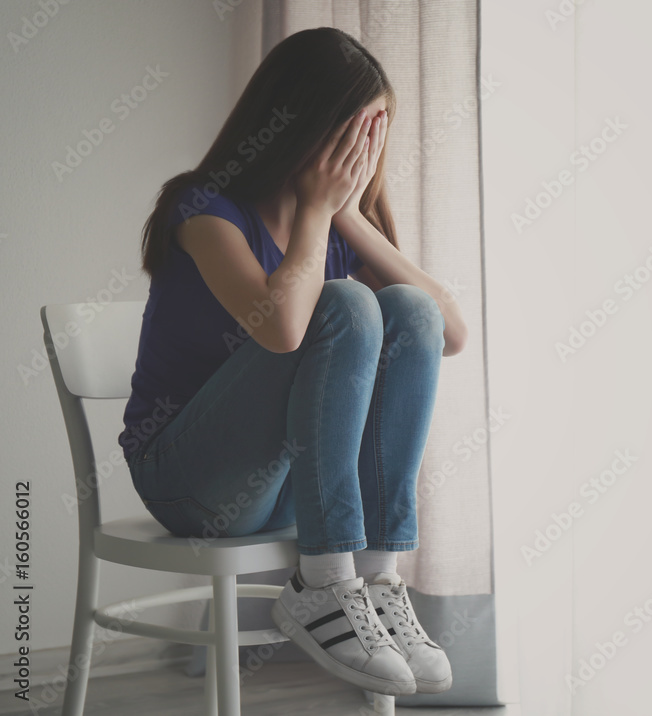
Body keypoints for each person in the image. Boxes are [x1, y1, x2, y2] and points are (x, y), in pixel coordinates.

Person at [117, 27, 467, 697]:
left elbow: (449, 331)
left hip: (286, 492)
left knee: (410, 312)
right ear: (303, 125)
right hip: (187, 483)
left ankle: (377, 571)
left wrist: (348, 216)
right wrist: (315, 212)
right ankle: (325, 581)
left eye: (376, 136)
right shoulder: (202, 210)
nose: (366, 152)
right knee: (344, 306)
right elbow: (280, 329)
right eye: (354, 134)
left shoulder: (337, 231)